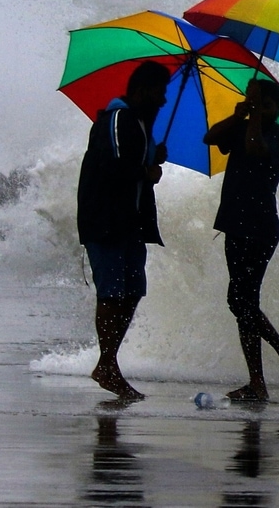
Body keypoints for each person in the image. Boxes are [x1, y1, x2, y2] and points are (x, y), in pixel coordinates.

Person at [204, 78, 279, 401]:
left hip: (260, 228)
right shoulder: (243, 124)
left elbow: (255, 148)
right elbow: (211, 137)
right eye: (257, 102)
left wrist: (255, 117)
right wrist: (240, 114)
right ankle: (257, 381)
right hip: (234, 224)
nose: (261, 109)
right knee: (242, 303)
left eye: (266, 104)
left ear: (276, 109)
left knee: (241, 301)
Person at [76, 61, 169, 400]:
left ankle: (108, 363)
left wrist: (154, 154)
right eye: (160, 92)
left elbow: (134, 162)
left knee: (132, 291)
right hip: (105, 220)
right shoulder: (117, 118)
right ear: (143, 90)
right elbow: (116, 165)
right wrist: (146, 171)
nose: (163, 100)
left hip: (131, 222)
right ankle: (107, 365)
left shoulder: (141, 124)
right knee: (113, 292)